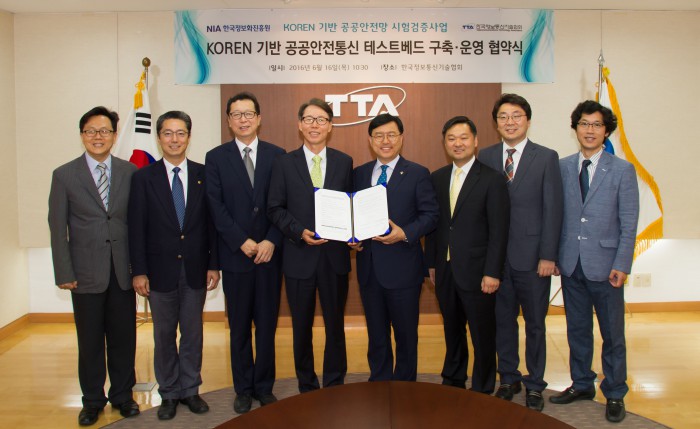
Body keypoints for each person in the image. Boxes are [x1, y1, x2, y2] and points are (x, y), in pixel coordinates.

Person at [48, 106, 140, 426]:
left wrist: (140, 268)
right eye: (91, 131)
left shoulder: (131, 172)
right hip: (84, 273)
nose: (97, 137)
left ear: (114, 135)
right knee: (89, 342)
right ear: (82, 135)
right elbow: (57, 227)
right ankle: (92, 400)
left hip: (123, 271)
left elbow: (138, 224)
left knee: (123, 338)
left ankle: (123, 396)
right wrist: (64, 272)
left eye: (104, 131)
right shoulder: (64, 175)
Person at [549, 100, 639, 423]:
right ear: (575, 128)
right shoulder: (562, 166)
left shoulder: (622, 170)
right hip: (571, 263)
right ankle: (582, 383)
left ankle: (614, 392)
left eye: (597, 125)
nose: (590, 130)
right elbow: (556, 215)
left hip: (607, 266)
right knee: (577, 329)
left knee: (612, 334)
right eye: (584, 124)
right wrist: (555, 255)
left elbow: (629, 221)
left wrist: (622, 263)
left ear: (606, 131)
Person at [128, 111, 220, 420]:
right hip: (158, 272)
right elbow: (136, 228)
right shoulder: (143, 178)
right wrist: (139, 271)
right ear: (159, 138)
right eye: (168, 133)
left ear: (189, 137)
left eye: (181, 133)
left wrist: (214, 265)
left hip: (195, 269)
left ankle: (190, 389)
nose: (174, 139)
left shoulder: (204, 174)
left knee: (193, 334)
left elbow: (212, 224)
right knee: (164, 336)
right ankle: (168, 393)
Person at [478, 93, 563, 411]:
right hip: (497, 260)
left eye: (516, 116)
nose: (510, 122)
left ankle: (535, 384)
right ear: (496, 123)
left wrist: (548, 255)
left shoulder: (546, 157)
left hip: (533, 259)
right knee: (503, 322)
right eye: (503, 117)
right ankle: (508, 378)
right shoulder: (485, 156)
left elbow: (553, 209)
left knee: (535, 324)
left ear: (527, 120)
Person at [205, 92, 285, 414]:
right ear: (228, 120)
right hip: (236, 256)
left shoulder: (277, 156)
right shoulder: (216, 157)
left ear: (259, 118)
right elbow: (215, 206)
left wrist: (271, 240)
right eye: (236, 114)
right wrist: (241, 241)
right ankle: (243, 389)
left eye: (248, 113)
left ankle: (264, 387)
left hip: (268, 256)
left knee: (266, 326)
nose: (243, 119)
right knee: (239, 327)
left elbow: (285, 204)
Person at [267, 98, 353, 393]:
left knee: (335, 325)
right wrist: (298, 231)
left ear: (330, 126)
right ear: (299, 125)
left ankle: (335, 383)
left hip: (334, 258)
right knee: (301, 327)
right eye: (308, 119)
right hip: (298, 256)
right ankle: (307, 384)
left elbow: (350, 206)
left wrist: (353, 234)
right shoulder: (283, 163)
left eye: (321, 120)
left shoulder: (344, 162)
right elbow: (275, 207)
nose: (314, 125)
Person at [425, 115, 510, 394]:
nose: (457, 143)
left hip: (479, 272)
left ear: (475, 141)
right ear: (445, 143)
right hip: (445, 269)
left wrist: (493, 272)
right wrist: (432, 263)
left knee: (482, 333)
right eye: (451, 139)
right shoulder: (437, 178)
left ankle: (483, 386)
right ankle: (453, 379)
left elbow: (499, 230)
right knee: (452, 329)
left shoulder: (492, 179)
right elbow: (436, 225)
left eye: (463, 138)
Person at [353, 113, 438, 381]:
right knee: (377, 336)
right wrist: (352, 237)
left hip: (404, 270)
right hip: (369, 270)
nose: (385, 141)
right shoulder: (359, 173)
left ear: (401, 138)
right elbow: (352, 213)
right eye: (379, 136)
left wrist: (405, 233)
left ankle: (404, 387)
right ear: (370, 140)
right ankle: (379, 383)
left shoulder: (418, 173)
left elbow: (431, 215)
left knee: (405, 335)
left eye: (391, 135)